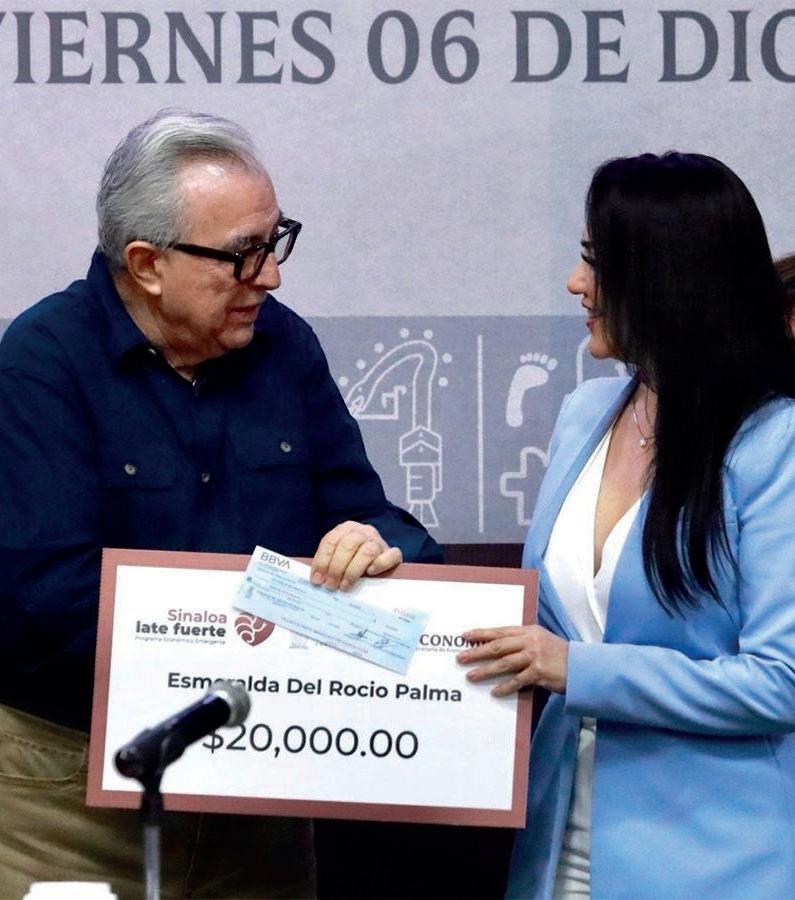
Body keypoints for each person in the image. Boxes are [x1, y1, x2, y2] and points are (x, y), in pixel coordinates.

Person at [0, 109, 440, 898]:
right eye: (243, 254)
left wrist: (377, 546)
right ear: (147, 264)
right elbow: (45, 599)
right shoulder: (42, 363)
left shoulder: (284, 347)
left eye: (275, 242)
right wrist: (263, 620)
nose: (270, 276)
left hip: (259, 793)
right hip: (73, 800)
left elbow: (374, 520)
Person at [457, 152, 795, 898]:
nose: (576, 284)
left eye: (595, 261)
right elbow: (543, 628)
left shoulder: (777, 443)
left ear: (667, 276)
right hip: (554, 844)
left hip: (715, 864)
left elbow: (782, 682)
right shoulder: (585, 413)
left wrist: (574, 669)